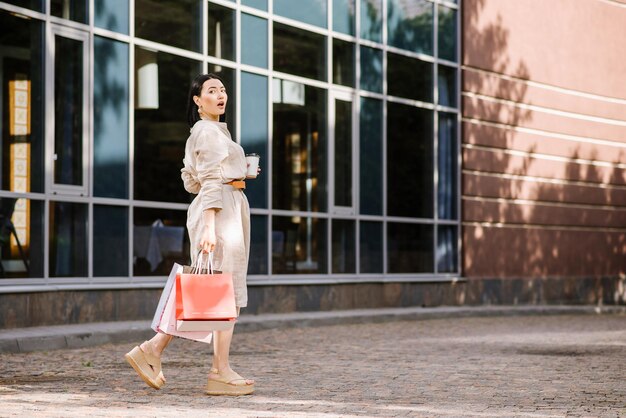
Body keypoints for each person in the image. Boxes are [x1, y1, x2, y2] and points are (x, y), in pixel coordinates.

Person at [125, 73, 257, 396]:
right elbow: (209, 179)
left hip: (223, 205)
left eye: (223, 90)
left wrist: (236, 177)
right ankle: (218, 370)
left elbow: (190, 179)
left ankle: (154, 351)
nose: (221, 94)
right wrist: (211, 223)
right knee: (224, 290)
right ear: (198, 101)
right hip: (220, 212)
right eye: (212, 91)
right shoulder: (207, 131)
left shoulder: (207, 132)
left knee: (210, 288)